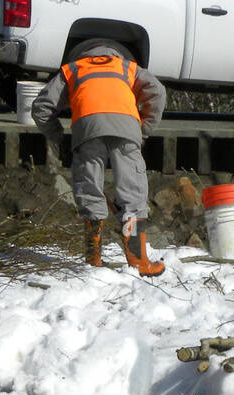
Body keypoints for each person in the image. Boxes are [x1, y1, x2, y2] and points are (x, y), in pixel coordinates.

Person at [32, 40, 167, 276]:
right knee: (132, 193)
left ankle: (93, 259)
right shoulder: (127, 67)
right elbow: (157, 92)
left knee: (90, 191)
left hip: (87, 130)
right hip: (126, 128)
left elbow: (41, 108)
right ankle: (139, 262)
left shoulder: (72, 69)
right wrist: (143, 129)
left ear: (83, 54)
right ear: (114, 53)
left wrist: (59, 138)